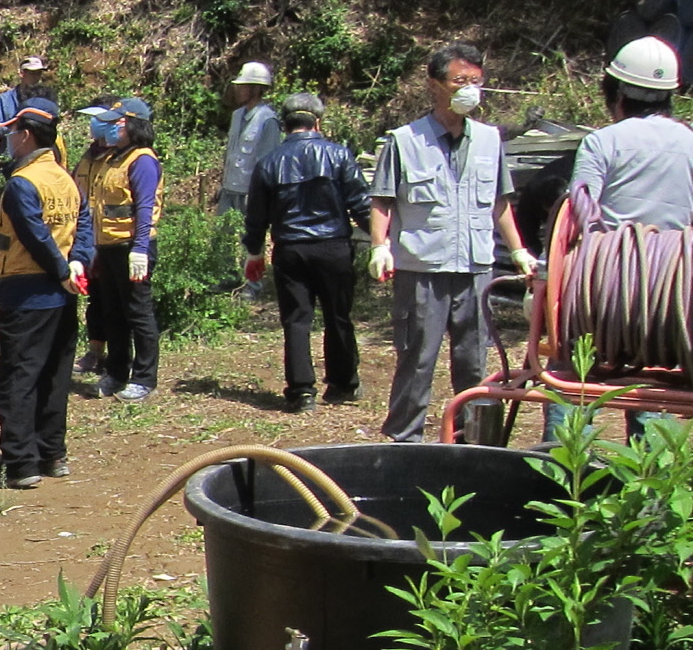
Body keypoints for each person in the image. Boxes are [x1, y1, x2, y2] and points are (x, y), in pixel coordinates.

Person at [370, 43, 539, 443]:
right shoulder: (405, 141)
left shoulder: (488, 139)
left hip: (475, 268)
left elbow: (499, 202)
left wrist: (517, 250)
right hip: (422, 268)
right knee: (417, 358)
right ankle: (404, 439)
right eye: (460, 81)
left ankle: (473, 441)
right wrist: (380, 245)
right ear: (435, 85)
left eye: (476, 82)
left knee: (473, 360)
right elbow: (383, 199)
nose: (470, 90)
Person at [243, 93, 370, 411]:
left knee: (297, 320)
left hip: (290, 249)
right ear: (318, 122)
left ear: (285, 125)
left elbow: (256, 216)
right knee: (338, 316)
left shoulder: (269, 162)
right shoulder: (339, 155)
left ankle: (301, 392)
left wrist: (254, 252)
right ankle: (342, 384)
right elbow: (361, 204)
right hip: (333, 247)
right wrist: (384, 241)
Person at [0, 100, 92, 488]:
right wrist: (78, 263)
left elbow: (34, 235)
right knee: (54, 375)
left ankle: (20, 463)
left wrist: (64, 267)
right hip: (63, 295)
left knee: (19, 377)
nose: (9, 140)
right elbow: (84, 222)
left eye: (13, 133)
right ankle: (53, 453)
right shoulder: (67, 179)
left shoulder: (22, 184)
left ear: (26, 136)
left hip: (28, 293)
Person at [73, 96, 161, 402]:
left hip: (132, 247)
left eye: (117, 123)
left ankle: (144, 376)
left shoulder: (143, 160)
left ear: (133, 125)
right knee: (113, 312)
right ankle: (116, 371)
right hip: (107, 246)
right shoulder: (112, 158)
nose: (111, 128)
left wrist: (140, 248)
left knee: (138, 312)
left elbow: (145, 206)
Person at [570, 37, 692, 227]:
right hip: (680, 255)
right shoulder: (689, 140)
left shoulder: (601, 142)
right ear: (669, 96)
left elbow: (578, 216)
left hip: (611, 255)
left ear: (617, 94)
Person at [217, 63, 281, 216]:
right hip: (229, 190)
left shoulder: (268, 120)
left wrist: (258, 196)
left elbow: (265, 164)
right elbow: (230, 153)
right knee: (220, 237)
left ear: (256, 88)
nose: (238, 90)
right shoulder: (237, 115)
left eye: (243, 86)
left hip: (248, 195)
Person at [0, 56, 53, 129]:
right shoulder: (4, 99)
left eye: (38, 73)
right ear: (22, 73)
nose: (36, 77)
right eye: (32, 73)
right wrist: (15, 131)